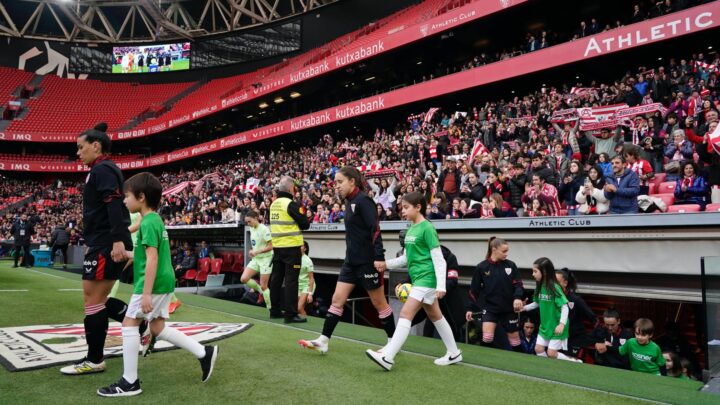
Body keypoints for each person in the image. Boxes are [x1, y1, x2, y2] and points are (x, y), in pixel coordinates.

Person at [97, 172, 218, 397]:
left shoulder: (148, 222)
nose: (124, 201)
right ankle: (203, 352)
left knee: (129, 324)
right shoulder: (153, 220)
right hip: (164, 281)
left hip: (153, 284)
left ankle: (130, 382)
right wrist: (127, 254)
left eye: (127, 196)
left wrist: (145, 294)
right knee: (156, 328)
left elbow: (151, 259)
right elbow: (147, 255)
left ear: (141, 197)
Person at [61, 123, 135, 375]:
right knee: (98, 300)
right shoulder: (100, 169)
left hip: (106, 242)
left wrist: (117, 240)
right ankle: (141, 327)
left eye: (81, 148)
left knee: (92, 301)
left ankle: (94, 360)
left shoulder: (103, 169)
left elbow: (114, 204)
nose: (78, 153)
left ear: (96, 146)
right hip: (103, 241)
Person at [299, 167, 394, 353]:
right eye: (335, 183)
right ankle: (324, 340)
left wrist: (379, 257)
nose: (337, 186)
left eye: (340, 182)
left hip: (368, 262)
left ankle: (393, 343)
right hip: (350, 262)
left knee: (379, 303)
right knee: (337, 300)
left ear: (352, 181)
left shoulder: (364, 201)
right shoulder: (348, 202)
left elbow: (375, 229)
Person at [365, 192, 461, 370]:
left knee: (405, 313)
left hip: (427, 279)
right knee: (436, 316)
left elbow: (439, 258)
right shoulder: (411, 229)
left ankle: (388, 356)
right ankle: (454, 352)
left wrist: (441, 285)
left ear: (418, 207)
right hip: (420, 280)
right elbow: (406, 259)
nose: (403, 211)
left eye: (406, 207)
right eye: (402, 208)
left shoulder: (427, 228)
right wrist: (385, 264)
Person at [465, 237, 525, 352]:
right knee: (487, 338)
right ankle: (487, 364)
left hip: (509, 309)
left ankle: (520, 363)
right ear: (494, 249)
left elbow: (519, 284)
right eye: (504, 251)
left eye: (507, 251)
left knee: (515, 341)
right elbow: (474, 290)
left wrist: (517, 298)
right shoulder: (482, 267)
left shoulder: (511, 265)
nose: (506, 254)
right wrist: (469, 308)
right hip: (490, 308)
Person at [269, 176, 310, 323]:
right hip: (292, 248)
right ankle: (290, 314)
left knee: (276, 279)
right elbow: (305, 224)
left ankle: (274, 310)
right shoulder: (291, 204)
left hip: (278, 247)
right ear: (291, 188)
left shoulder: (273, 204)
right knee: (292, 281)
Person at [521, 257, 579, 362]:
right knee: (538, 349)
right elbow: (537, 303)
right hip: (545, 326)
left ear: (544, 272)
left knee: (552, 354)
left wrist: (561, 324)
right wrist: (524, 308)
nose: (533, 274)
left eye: (535, 271)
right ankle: (547, 369)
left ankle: (574, 362)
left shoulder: (554, 287)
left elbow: (565, 306)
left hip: (557, 326)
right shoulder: (539, 286)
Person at [556, 268, 596, 361]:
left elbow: (593, 318)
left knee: (574, 364)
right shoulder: (552, 299)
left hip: (576, 339)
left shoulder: (575, 300)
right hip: (560, 337)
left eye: (557, 282)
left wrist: (598, 339)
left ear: (565, 283)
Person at [241, 211, 273, 309]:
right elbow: (255, 244)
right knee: (244, 279)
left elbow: (271, 246)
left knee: (264, 286)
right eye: (247, 222)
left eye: (249, 221)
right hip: (256, 259)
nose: (248, 224)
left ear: (256, 218)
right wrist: (252, 250)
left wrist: (257, 251)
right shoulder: (251, 228)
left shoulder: (264, 229)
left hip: (266, 259)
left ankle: (270, 308)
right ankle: (260, 291)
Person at [297, 241, 315, 316]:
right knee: (297, 309)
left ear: (305, 249)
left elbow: (311, 278)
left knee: (299, 308)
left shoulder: (308, 261)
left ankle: (304, 322)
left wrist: (310, 294)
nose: (298, 248)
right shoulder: (294, 258)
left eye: (301, 246)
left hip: (306, 286)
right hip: (297, 286)